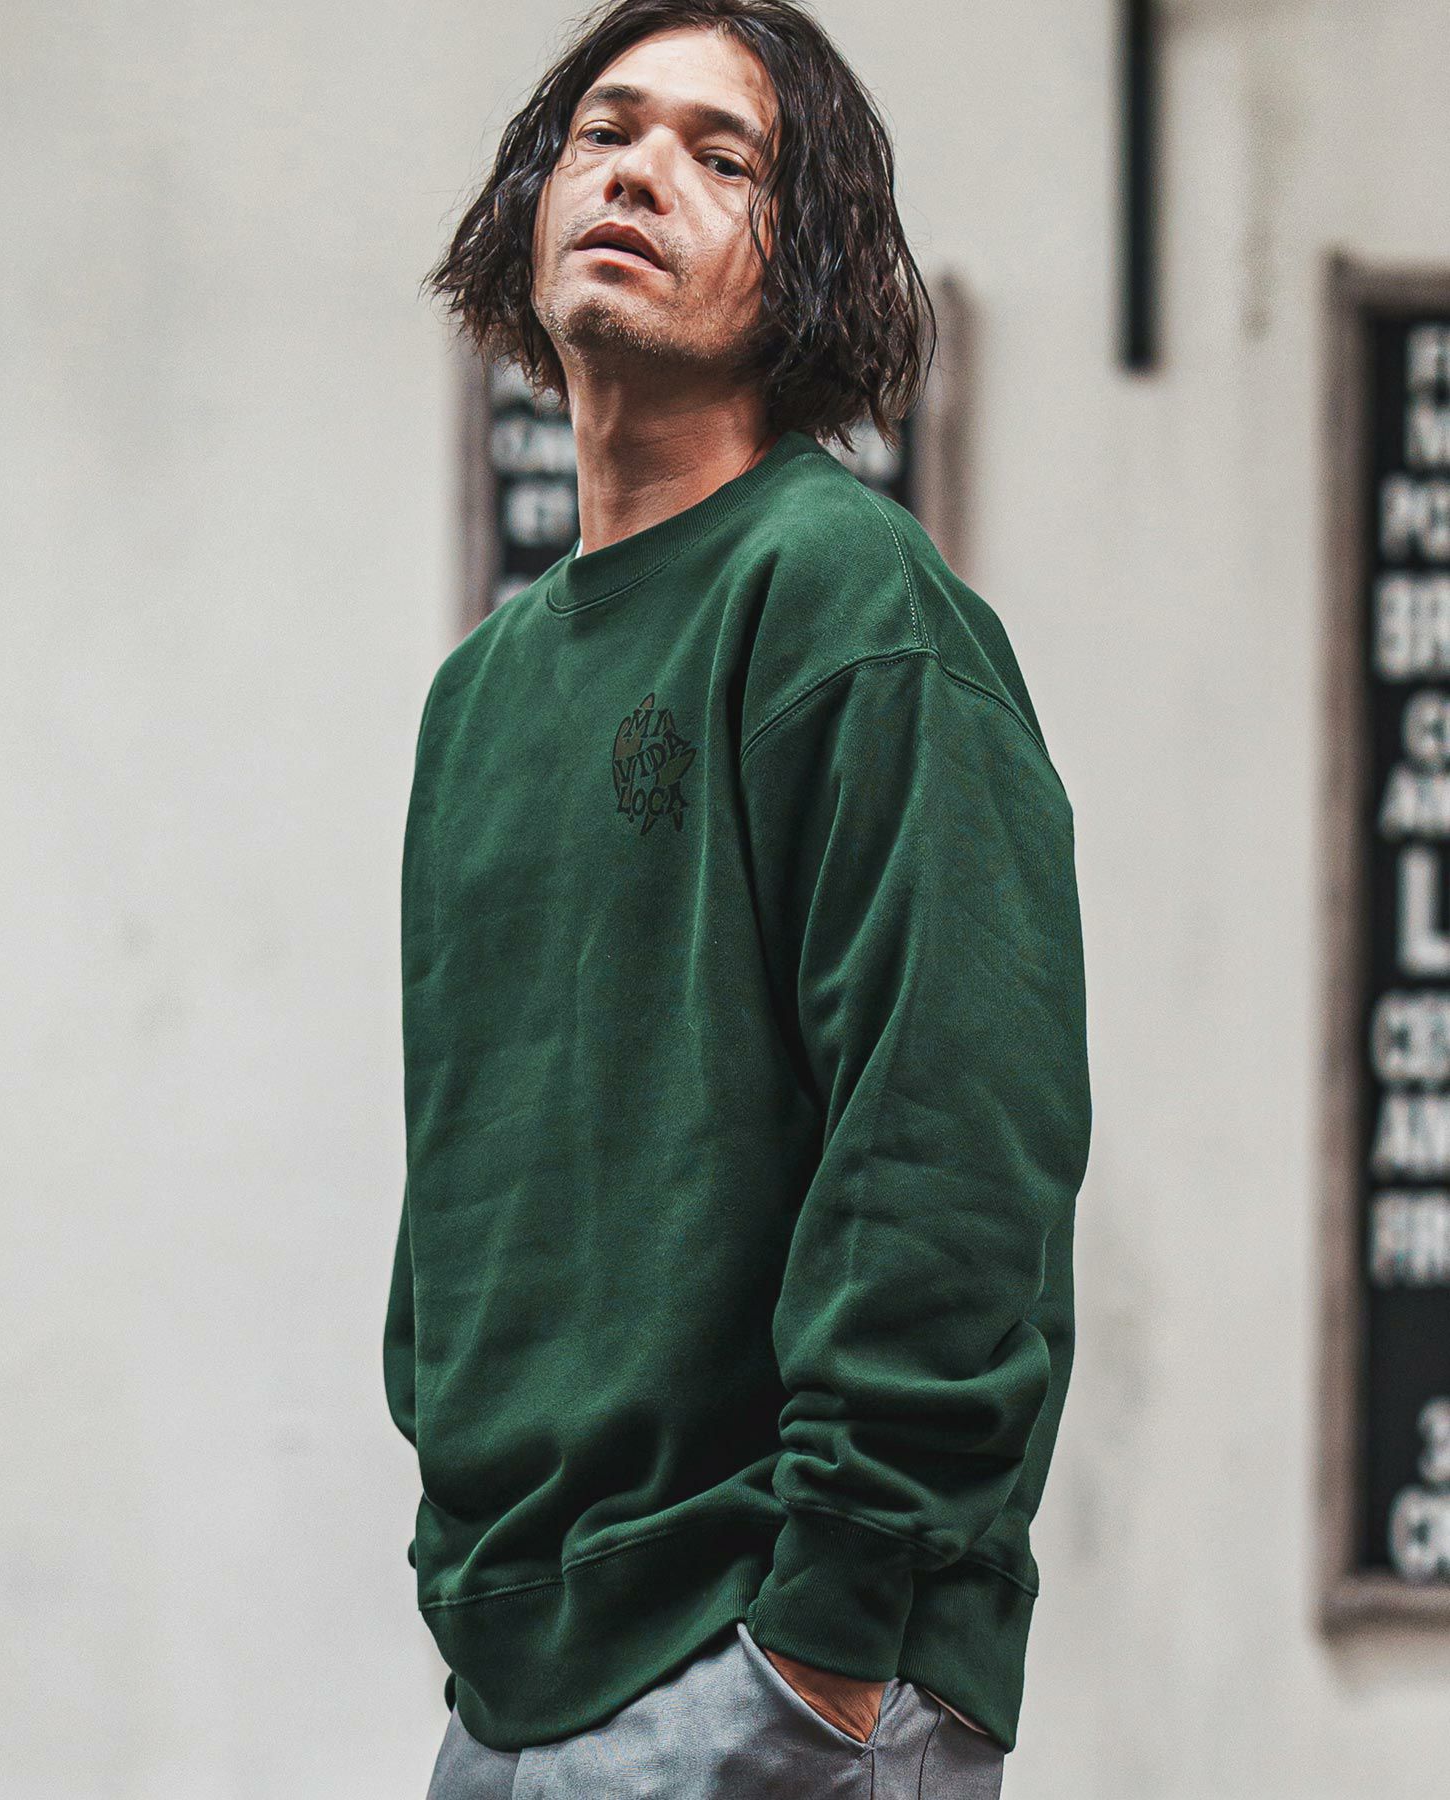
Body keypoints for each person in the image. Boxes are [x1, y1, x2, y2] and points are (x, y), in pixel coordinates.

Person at [384, 1, 1092, 1793]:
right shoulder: (479, 699)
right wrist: (467, 1562)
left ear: (813, 262)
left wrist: (832, 1638)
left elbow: (957, 1139)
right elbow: (474, 1189)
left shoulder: (849, 600)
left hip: (767, 1662)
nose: (639, 175)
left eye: (725, 157)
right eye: (604, 133)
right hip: (509, 1679)